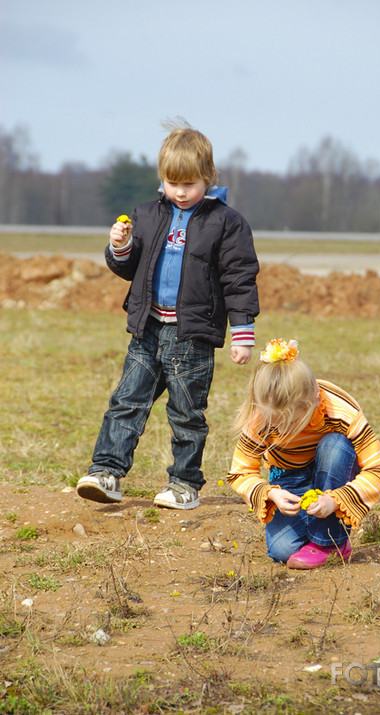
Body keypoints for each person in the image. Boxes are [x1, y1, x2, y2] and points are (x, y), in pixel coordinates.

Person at [77, 121, 259, 510]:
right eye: (171, 182)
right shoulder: (146, 215)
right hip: (147, 329)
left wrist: (243, 332)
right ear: (161, 178)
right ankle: (106, 473)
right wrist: (120, 247)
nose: (179, 192)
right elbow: (128, 269)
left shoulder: (227, 224)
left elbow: (240, 279)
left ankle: (184, 484)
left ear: (209, 178)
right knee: (126, 401)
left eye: (189, 184)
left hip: (191, 337)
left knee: (186, 413)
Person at [227, 338, 380, 569]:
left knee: (334, 445)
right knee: (282, 550)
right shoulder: (261, 417)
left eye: (291, 422)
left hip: (336, 468)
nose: (281, 430)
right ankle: (319, 532)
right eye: (274, 422)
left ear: (314, 401)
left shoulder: (341, 410)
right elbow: (239, 472)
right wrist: (271, 495)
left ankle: (329, 542)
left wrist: (335, 500)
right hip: (289, 473)